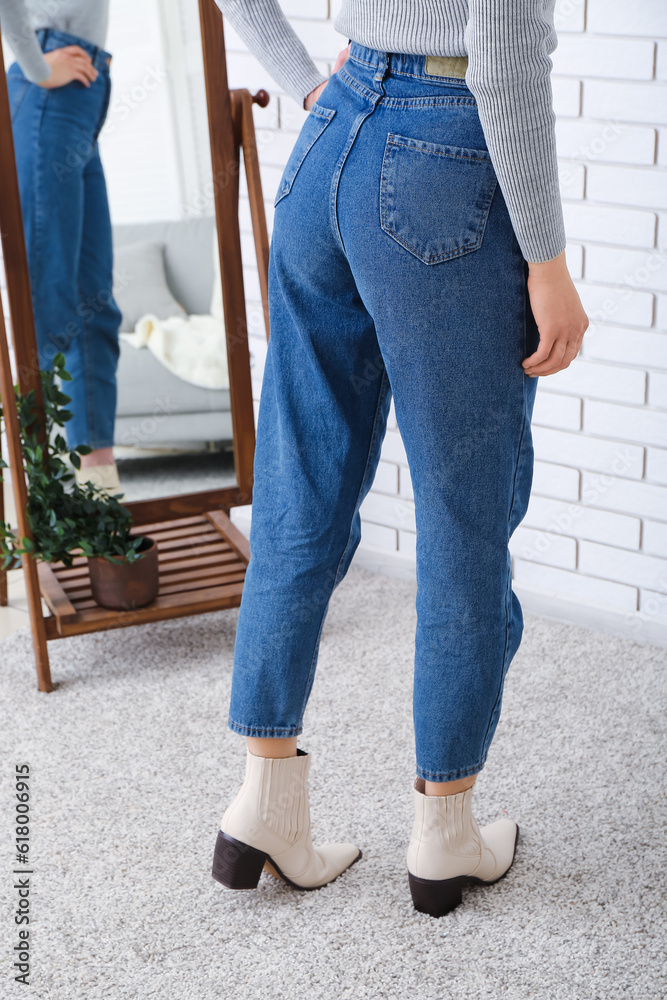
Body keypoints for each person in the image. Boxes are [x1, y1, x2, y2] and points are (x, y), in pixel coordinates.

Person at [209, 0, 589, 917]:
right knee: (464, 511)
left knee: (298, 489)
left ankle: (263, 805)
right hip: (442, 158)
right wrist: (547, 264)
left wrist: (311, 80)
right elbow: (499, 63)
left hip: (331, 133)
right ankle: (444, 831)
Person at [1, 1, 123, 496]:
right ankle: (30, 503)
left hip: (80, 96)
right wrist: (35, 64)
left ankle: (98, 494)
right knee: (45, 306)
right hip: (48, 88)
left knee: (94, 311)